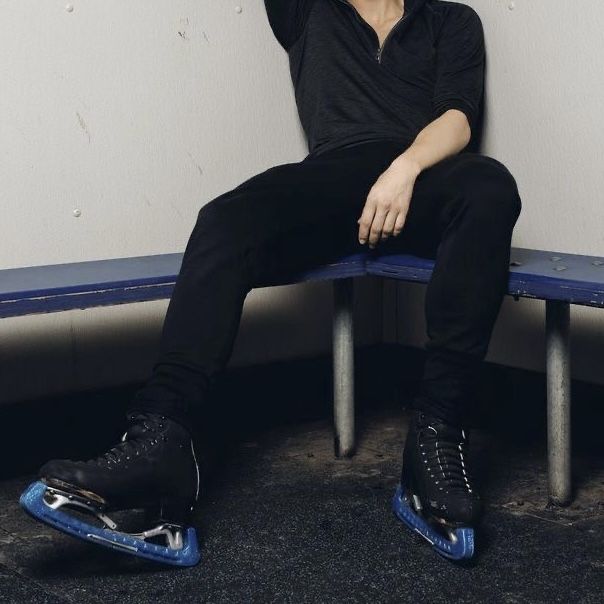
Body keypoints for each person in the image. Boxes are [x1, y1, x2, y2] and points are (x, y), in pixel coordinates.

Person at [20, 0, 522, 564]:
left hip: (424, 179)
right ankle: (160, 445)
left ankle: (436, 436)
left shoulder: (450, 20)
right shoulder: (306, 11)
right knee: (222, 221)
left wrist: (404, 169)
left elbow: (457, 117)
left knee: (491, 188)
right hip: (333, 178)